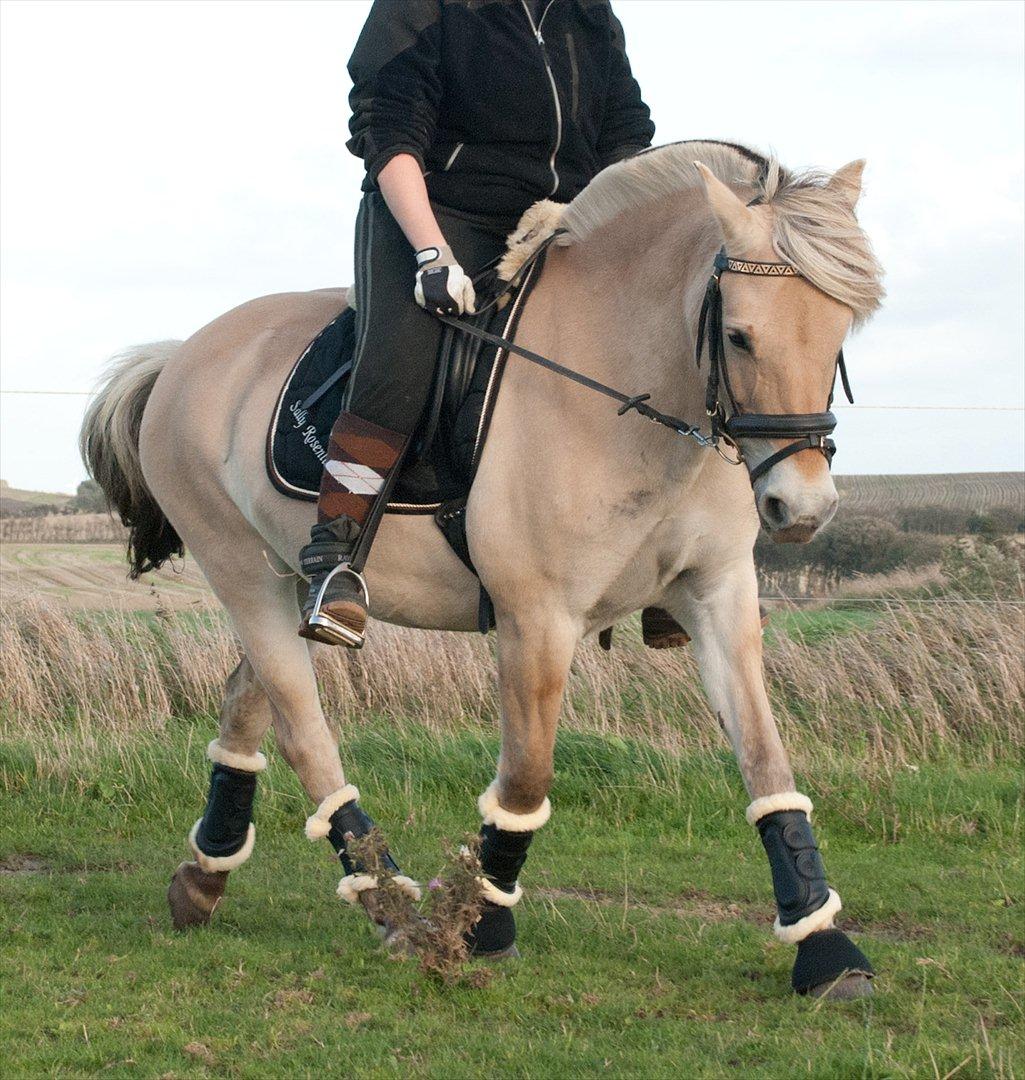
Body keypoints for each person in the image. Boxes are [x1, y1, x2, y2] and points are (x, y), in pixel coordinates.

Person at [298, 0, 655, 647]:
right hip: (441, 211)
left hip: (564, 220)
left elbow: (626, 130)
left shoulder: (588, 12)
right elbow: (389, 125)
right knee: (400, 367)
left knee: (667, 342)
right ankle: (335, 556)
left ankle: (670, 555)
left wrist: (621, 225)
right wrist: (431, 253)